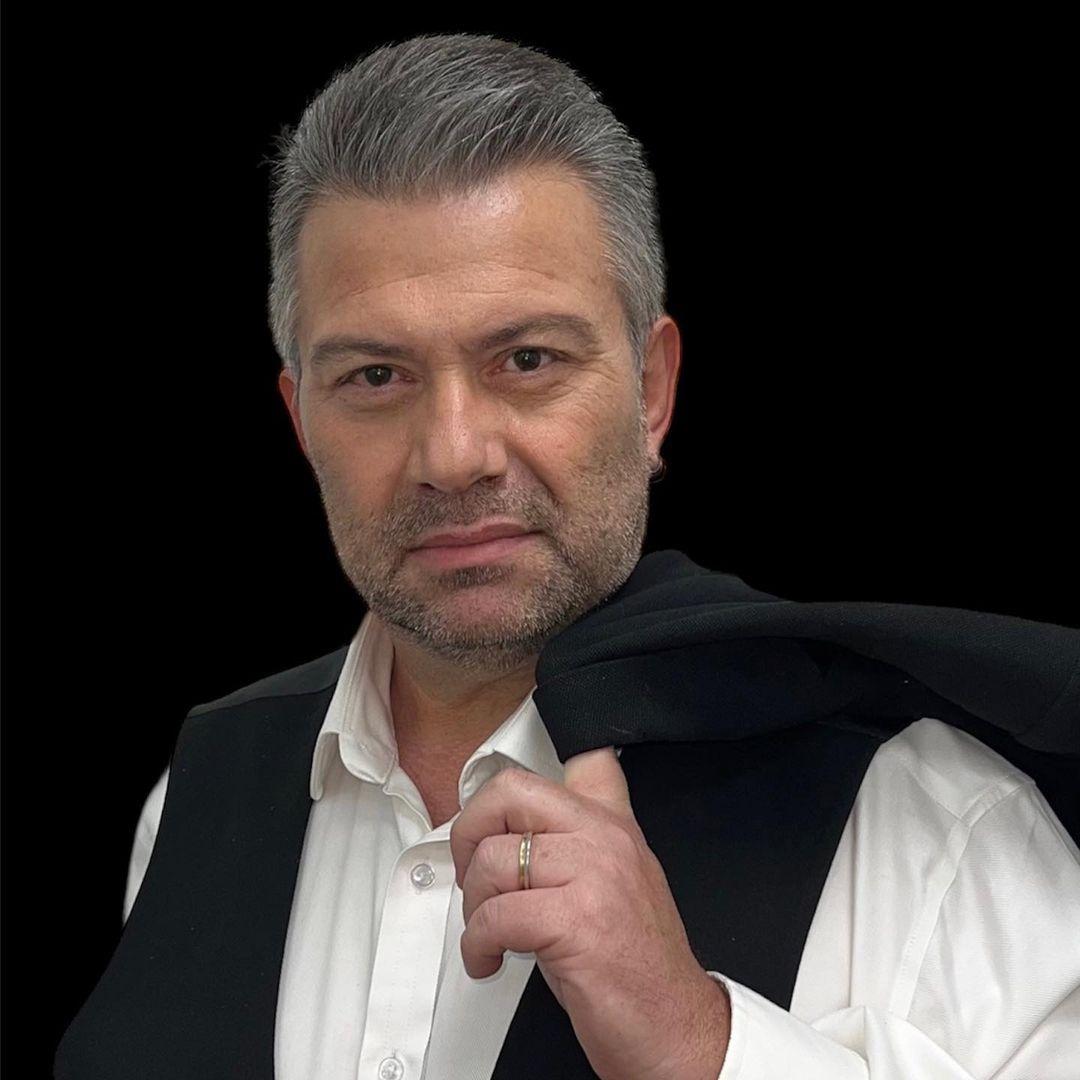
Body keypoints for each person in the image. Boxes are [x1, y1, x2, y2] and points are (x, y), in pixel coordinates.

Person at [55, 33, 1079, 1080]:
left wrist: (699, 1044)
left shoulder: (937, 831)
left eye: (527, 358)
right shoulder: (198, 797)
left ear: (650, 392)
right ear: (301, 420)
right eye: (376, 377)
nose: (454, 455)